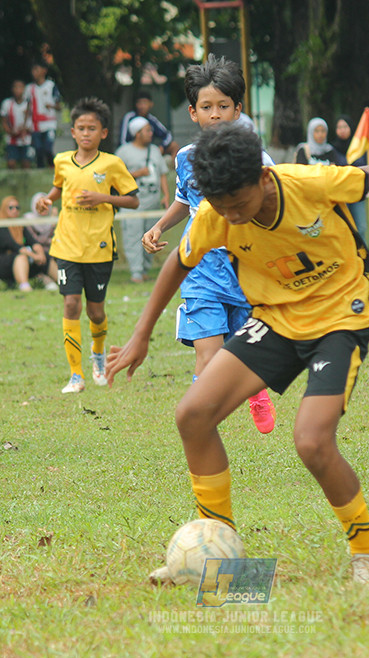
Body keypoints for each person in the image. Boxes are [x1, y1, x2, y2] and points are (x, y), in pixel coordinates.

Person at [108, 122, 369, 585]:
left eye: (239, 203)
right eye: (222, 207)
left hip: (341, 316)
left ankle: (368, 553)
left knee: (311, 441)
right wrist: (141, 334)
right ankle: (219, 553)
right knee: (193, 414)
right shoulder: (215, 214)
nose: (232, 217)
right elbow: (177, 263)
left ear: (263, 178)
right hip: (276, 317)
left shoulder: (307, 182)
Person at [139, 54, 278, 435]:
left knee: (243, 351)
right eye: (206, 107)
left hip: (246, 270)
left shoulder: (258, 160)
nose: (214, 114)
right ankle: (201, 424)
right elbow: (185, 201)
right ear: (193, 112)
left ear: (237, 109)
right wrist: (159, 226)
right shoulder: (185, 158)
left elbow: (274, 209)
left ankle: (255, 391)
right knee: (208, 353)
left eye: (223, 106)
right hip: (199, 269)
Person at [34, 97, 139, 394]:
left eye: (92, 128)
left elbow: (133, 200)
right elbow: (58, 187)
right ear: (73, 131)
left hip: (99, 247)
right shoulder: (62, 161)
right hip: (66, 246)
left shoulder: (112, 164)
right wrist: (47, 200)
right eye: (81, 128)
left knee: (95, 312)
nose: (86, 133)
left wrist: (102, 198)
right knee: (70, 304)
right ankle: (76, 375)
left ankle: (98, 355)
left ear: (103, 133)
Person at [115, 116, 169, 283]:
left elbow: (162, 174)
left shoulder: (155, 150)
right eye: (147, 130)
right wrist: (138, 173)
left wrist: (166, 195)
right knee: (133, 237)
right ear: (137, 133)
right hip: (133, 204)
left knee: (152, 236)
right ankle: (136, 273)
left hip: (153, 202)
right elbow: (116, 177)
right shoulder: (123, 152)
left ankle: (145, 270)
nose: (151, 133)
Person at [0, 196, 56, 291]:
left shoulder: (20, 226)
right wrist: (35, 256)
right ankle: (25, 286)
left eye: (17, 208)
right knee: (21, 257)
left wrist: (41, 254)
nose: (15, 210)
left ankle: (63, 283)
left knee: (46, 257)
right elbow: (16, 247)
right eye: (11, 208)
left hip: (18, 260)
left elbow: (33, 243)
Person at [331, 114, 369, 248]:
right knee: (345, 226)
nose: (342, 130)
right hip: (341, 192)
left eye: (345, 127)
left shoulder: (360, 147)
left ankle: (363, 255)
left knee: (361, 226)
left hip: (358, 190)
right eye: (339, 127)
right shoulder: (332, 149)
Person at [119, 90, 179, 159]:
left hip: (149, 149)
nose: (142, 106)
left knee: (174, 145)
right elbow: (122, 141)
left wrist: (162, 146)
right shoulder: (129, 117)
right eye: (140, 103)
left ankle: (173, 165)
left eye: (145, 103)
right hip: (132, 150)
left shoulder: (152, 120)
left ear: (151, 104)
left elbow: (168, 135)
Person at [27, 62, 62, 167]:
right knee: (38, 149)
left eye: (36, 69)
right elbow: (28, 107)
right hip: (35, 124)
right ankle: (40, 169)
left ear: (44, 71)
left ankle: (52, 167)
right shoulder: (30, 88)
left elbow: (59, 106)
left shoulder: (51, 86)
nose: (34, 73)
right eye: (33, 70)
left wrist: (51, 106)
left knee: (48, 148)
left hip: (49, 123)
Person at [0, 80, 33, 169]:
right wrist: (10, 131)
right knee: (11, 163)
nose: (18, 90)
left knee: (26, 163)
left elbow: (33, 121)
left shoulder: (29, 104)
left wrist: (26, 129)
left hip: (26, 139)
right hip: (12, 139)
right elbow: (4, 121)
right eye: (15, 87)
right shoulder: (7, 103)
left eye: (20, 87)